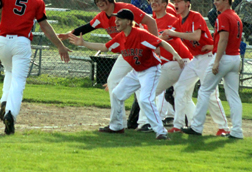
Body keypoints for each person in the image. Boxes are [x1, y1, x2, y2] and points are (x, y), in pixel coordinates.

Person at [0, 0, 70, 135]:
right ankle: (10, 114)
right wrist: (60, 45)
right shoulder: (37, 0)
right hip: (21, 42)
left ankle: (5, 101)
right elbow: (45, 26)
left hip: (3, 42)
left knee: (10, 72)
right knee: (18, 80)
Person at [68, 8, 185, 140]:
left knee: (145, 99)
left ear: (129, 21)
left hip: (150, 70)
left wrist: (176, 55)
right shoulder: (121, 37)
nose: (116, 22)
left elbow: (161, 42)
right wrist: (83, 43)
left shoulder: (140, 34)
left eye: (119, 19)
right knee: (117, 94)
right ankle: (116, 126)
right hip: (137, 71)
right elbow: (104, 47)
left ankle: (161, 132)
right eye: (116, 19)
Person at [58, 0, 158, 130]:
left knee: (141, 85)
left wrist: (154, 44)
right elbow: (86, 28)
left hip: (141, 50)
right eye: (97, 0)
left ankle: (145, 123)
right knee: (112, 81)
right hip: (126, 52)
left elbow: (151, 21)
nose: (99, 2)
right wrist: (68, 35)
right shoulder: (101, 17)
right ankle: (119, 123)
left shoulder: (125, 9)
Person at [163, 0, 230, 135]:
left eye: (179, 1)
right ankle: (178, 125)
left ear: (187, 4)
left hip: (208, 57)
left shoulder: (195, 16)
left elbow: (196, 36)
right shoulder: (178, 21)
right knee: (180, 89)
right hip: (196, 60)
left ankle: (224, 127)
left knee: (211, 94)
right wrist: (157, 38)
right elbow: (167, 35)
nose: (176, 4)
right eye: (174, 1)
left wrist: (174, 34)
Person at [182, 0, 244, 139]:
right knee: (233, 95)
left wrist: (216, 61)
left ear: (227, 0)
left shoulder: (223, 16)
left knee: (204, 90)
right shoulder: (236, 16)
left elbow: (223, 39)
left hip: (224, 58)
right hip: (235, 58)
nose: (215, 2)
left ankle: (196, 127)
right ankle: (237, 131)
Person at [135, 0, 193, 132]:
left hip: (178, 61)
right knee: (182, 96)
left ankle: (145, 123)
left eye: (158, 1)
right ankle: (194, 124)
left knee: (149, 92)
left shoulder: (173, 19)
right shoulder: (151, 22)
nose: (154, 3)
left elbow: (162, 39)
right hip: (168, 63)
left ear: (165, 5)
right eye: (152, 1)